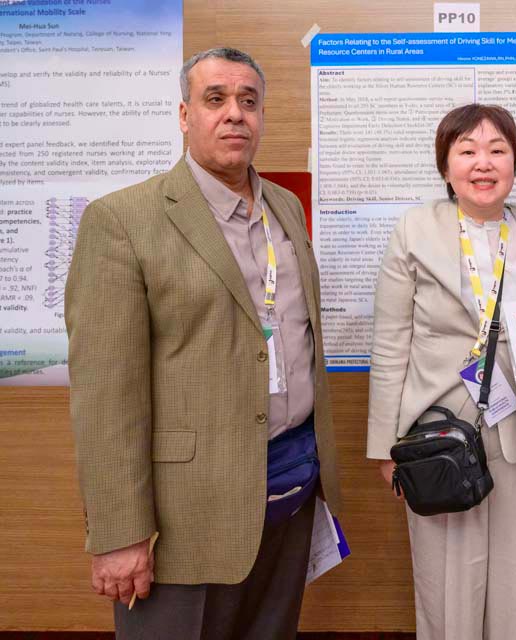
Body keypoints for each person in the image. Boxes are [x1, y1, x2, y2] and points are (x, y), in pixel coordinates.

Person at [65, 47, 341, 639]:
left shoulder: (285, 208)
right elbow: (105, 395)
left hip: (291, 490)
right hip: (185, 514)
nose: (234, 113)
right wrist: (119, 533)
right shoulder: (123, 220)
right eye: (215, 99)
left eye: (248, 101)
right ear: (185, 115)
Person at [366, 104, 516, 640]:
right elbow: (390, 343)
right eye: (467, 151)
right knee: (447, 590)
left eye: (497, 150)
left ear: (514, 163)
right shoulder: (414, 231)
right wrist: (384, 446)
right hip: (436, 435)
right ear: (446, 166)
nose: (483, 163)